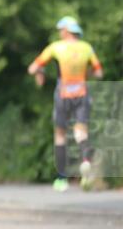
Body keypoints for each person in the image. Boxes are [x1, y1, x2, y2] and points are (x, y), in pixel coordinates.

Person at [28, 16, 103, 191]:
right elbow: (99, 73)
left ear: (66, 31)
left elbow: (33, 67)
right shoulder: (87, 48)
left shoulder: (56, 47)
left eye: (60, 30)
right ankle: (86, 161)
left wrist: (40, 73)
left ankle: (62, 179)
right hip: (82, 93)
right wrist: (86, 75)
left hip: (63, 94)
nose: (59, 33)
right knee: (81, 133)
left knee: (60, 135)